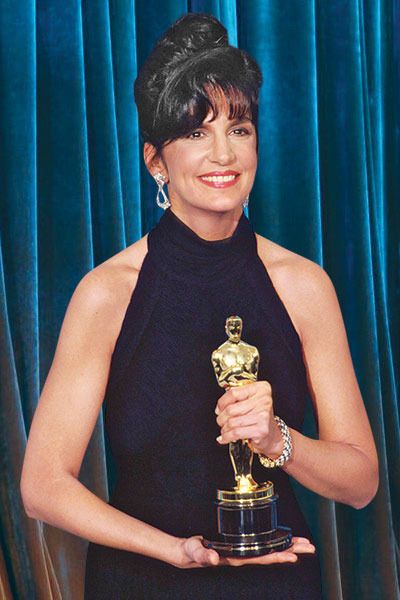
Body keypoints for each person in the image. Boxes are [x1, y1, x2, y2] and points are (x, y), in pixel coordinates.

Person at [20, 12, 379, 600]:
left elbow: (361, 481)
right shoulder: (107, 293)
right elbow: (42, 486)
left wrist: (278, 440)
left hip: (277, 581)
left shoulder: (303, 285)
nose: (222, 153)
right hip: (144, 582)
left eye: (239, 128)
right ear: (155, 161)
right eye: (195, 132)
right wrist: (177, 551)